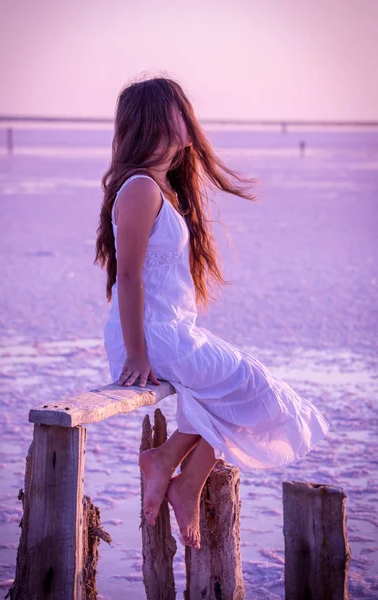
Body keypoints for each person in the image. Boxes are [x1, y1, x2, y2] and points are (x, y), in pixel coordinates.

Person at [95, 75, 330, 551]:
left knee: (247, 389)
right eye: (182, 110)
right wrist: (137, 355)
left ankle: (179, 474)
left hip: (171, 332)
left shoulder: (164, 187)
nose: (191, 119)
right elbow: (131, 279)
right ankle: (168, 466)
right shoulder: (140, 189)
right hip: (150, 336)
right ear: (159, 120)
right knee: (254, 388)